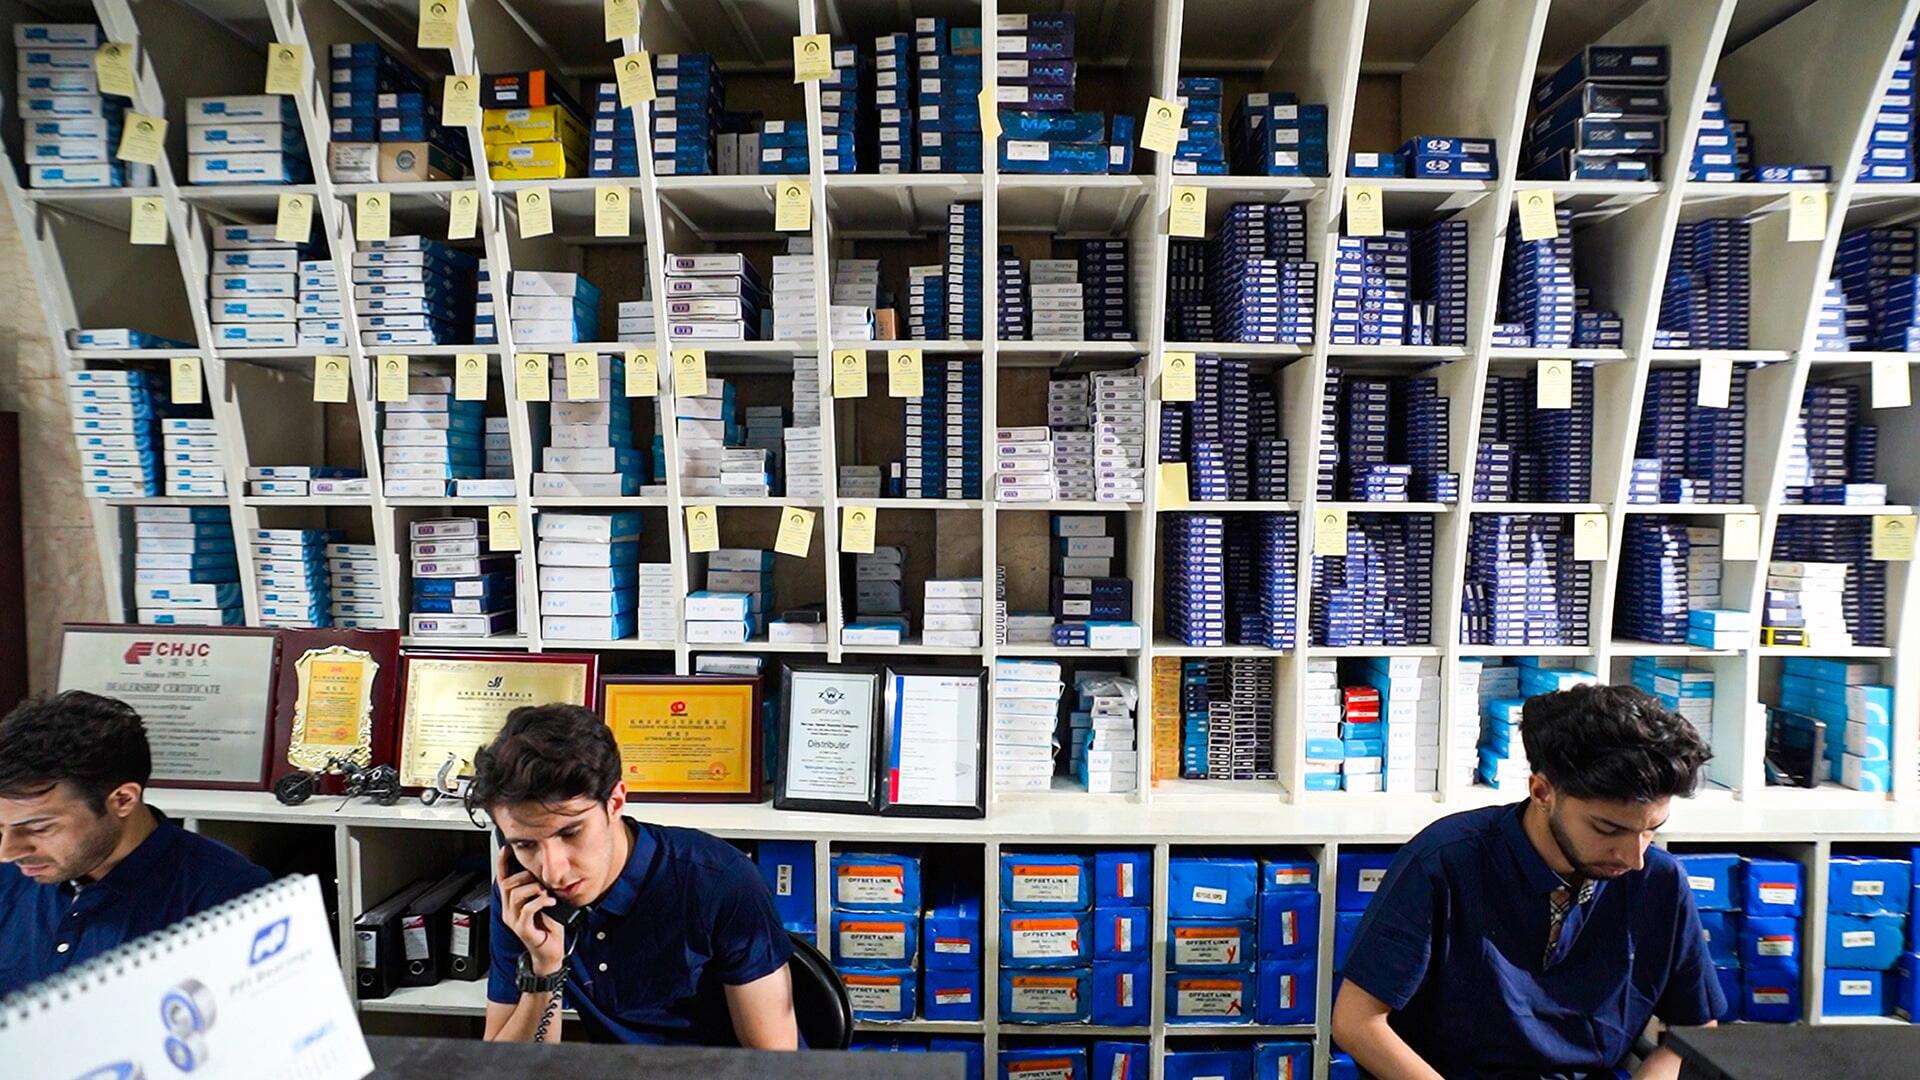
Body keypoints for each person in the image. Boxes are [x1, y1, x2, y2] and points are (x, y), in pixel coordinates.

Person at [1332, 684, 1721, 1080]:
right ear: (1542, 792)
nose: (1633, 857)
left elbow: (1695, 1030)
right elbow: (1356, 1021)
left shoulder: (1658, 880)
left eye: (1651, 829)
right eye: (1608, 829)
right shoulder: (1445, 863)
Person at [473, 703, 798, 1048]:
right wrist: (544, 970)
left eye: (571, 833)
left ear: (615, 802)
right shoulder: (524, 896)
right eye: (525, 844)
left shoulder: (722, 882)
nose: (553, 871)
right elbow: (513, 1068)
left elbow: (774, 1060)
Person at [0, 690, 271, 995]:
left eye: (39, 828)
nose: (7, 853)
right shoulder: (8, 877)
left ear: (123, 800)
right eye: (0, 828)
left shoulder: (229, 898)